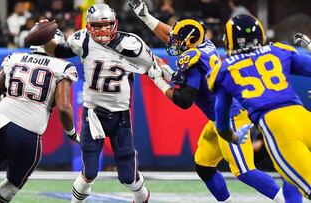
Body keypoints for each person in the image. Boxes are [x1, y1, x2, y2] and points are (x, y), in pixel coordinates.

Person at [129, 1, 301, 202]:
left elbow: (184, 101)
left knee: (244, 170)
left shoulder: (193, 59)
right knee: (204, 165)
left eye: (177, 40)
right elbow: (173, 35)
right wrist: (147, 18)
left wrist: (158, 79)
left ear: (189, 41)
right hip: (220, 117)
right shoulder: (204, 45)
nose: (172, 42)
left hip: (233, 117)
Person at [40, 3, 153, 203]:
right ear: (89, 26)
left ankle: (142, 198)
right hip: (93, 114)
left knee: (128, 176)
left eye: (107, 25)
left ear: (115, 24)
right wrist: (45, 37)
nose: (102, 30)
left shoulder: (131, 44)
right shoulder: (82, 40)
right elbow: (56, 51)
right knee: (89, 172)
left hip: (121, 116)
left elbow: (153, 66)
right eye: (97, 26)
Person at [0, 31, 80, 203]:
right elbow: (64, 108)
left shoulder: (15, 58)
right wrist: (71, 132)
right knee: (14, 181)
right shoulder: (62, 67)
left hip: (1, 121)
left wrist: (6, 105)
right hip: (29, 130)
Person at [208, 14, 311, 200]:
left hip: (278, 127)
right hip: (304, 117)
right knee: (291, 177)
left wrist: (233, 136)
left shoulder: (224, 70)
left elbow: (221, 121)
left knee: (300, 177)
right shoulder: (279, 51)